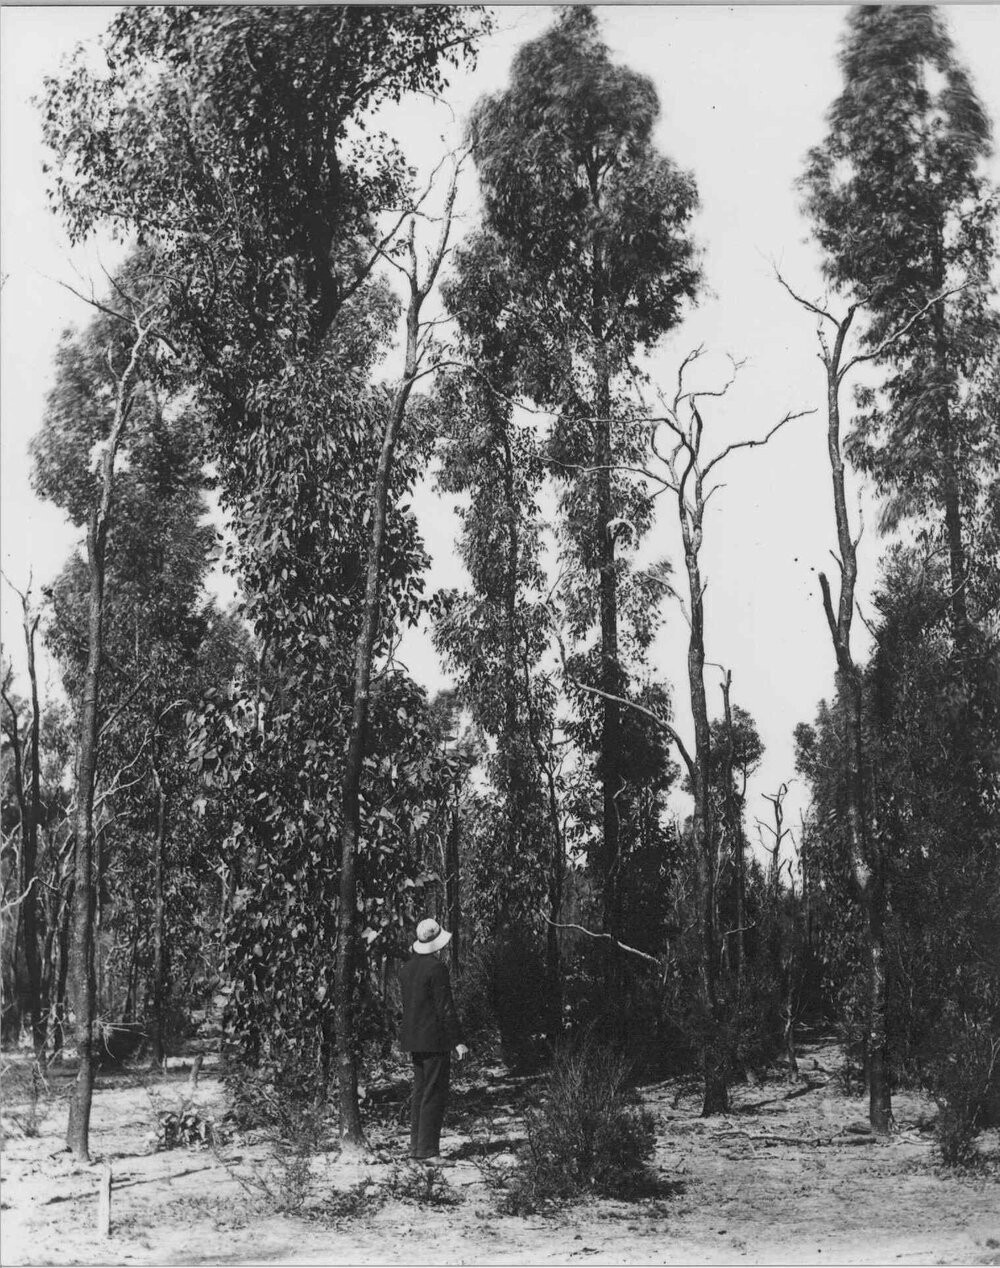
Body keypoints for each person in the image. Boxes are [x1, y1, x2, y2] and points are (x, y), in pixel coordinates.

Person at [398, 918, 468, 1161]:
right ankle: (428, 1151)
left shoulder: (406, 969)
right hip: (434, 1039)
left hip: (413, 1039)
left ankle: (416, 1149)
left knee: (419, 1092)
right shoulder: (437, 969)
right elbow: (445, 1008)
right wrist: (457, 1040)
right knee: (434, 1092)